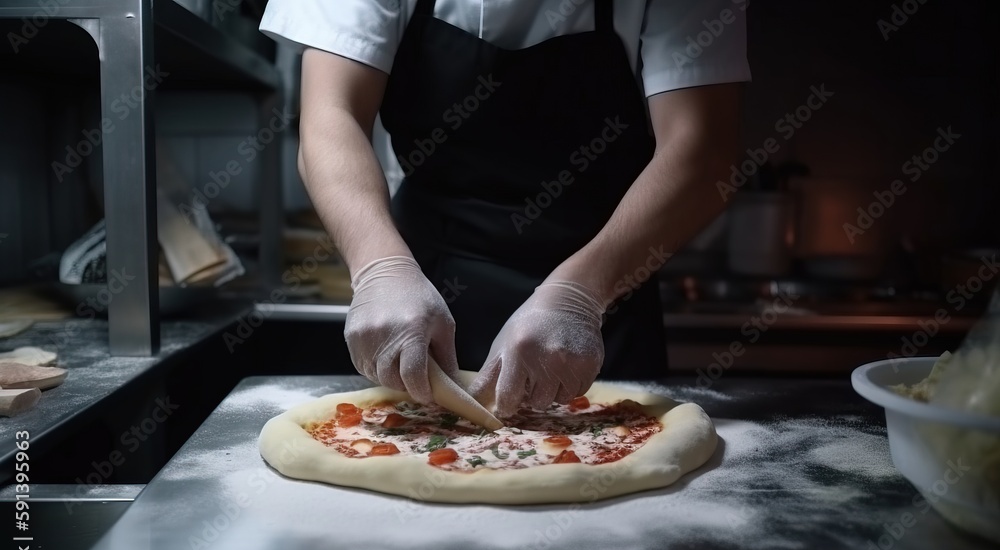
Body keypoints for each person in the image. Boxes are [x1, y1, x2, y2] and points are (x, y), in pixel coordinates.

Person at [260, 0, 750, 418]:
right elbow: (330, 115)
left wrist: (581, 296)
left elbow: (701, 152)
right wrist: (379, 266)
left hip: (604, 296)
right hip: (424, 291)